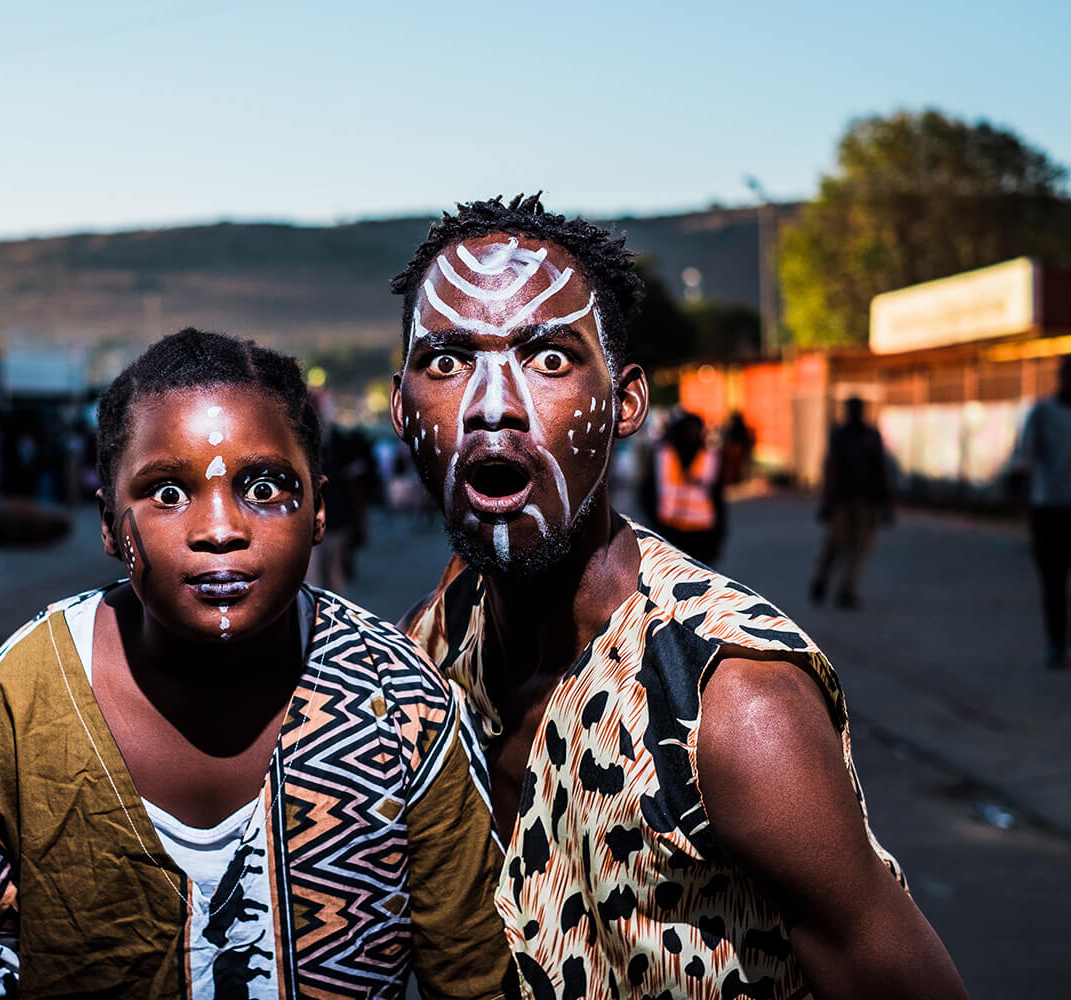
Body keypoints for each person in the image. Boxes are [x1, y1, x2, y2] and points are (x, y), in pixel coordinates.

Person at [388, 195, 967, 999]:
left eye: (550, 358)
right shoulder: (428, 652)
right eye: (447, 361)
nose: (491, 403)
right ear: (401, 408)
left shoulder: (729, 704)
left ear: (626, 404)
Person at [0, 329, 511, 1000]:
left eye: (263, 486)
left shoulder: (402, 705)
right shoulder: (18, 705)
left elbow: (471, 975)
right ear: (110, 524)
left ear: (319, 510)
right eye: (168, 493)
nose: (221, 529)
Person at [1010, 353, 1071, 668]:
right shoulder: (1043, 412)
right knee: (1053, 579)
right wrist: (1018, 490)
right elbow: (1025, 453)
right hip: (1048, 507)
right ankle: (1057, 643)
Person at [810, 396, 893, 610]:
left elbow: (880, 470)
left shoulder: (870, 436)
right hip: (843, 501)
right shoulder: (840, 436)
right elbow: (832, 469)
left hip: (865, 501)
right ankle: (822, 579)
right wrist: (828, 501)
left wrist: (885, 503)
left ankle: (846, 588)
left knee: (859, 548)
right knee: (834, 544)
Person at [650, 409, 724, 564]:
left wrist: (719, 533)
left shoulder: (709, 457)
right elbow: (648, 490)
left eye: (697, 430)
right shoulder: (664, 455)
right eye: (689, 430)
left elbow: (718, 497)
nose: (692, 434)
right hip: (669, 527)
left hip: (701, 530)